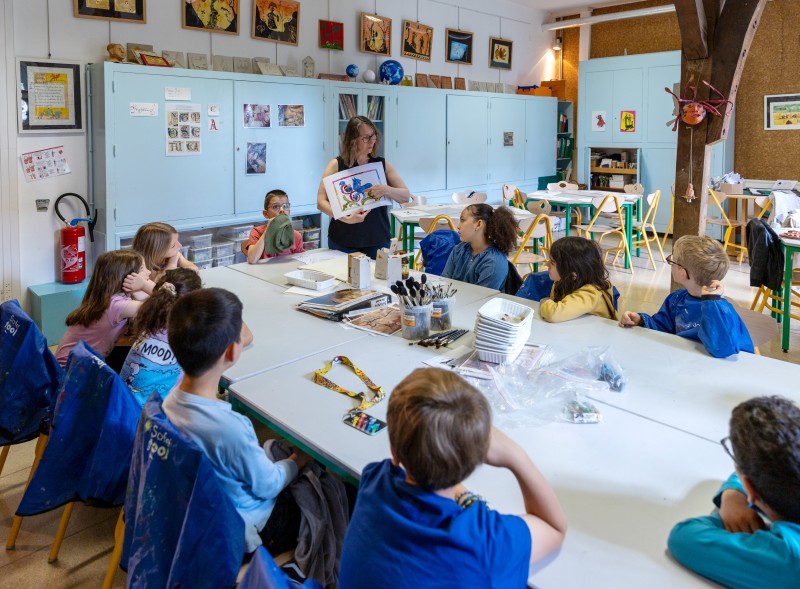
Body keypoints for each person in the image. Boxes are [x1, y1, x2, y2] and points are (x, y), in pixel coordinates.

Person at [339, 368, 566, 588]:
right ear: (477, 459)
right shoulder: (487, 542)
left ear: (394, 452)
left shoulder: (374, 482)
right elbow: (554, 528)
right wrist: (516, 456)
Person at [163, 288, 308, 554]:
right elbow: (268, 485)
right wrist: (298, 460)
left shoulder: (167, 403)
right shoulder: (230, 427)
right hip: (240, 529)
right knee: (330, 493)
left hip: (189, 512)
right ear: (231, 352)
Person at [668, 396, 800, 589]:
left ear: (750, 489)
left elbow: (684, 536)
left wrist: (733, 497)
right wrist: (734, 495)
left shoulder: (787, 558)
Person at [619, 235, 754, 358]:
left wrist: (710, 303)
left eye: (672, 261)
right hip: (688, 362)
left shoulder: (722, 311)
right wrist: (641, 320)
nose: (670, 263)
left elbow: (722, 349)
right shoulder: (676, 299)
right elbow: (663, 327)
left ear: (683, 274)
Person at [316, 116, 411, 259]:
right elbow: (320, 202)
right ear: (352, 139)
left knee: (377, 274)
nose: (372, 141)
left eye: (374, 136)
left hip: (378, 239)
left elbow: (405, 196)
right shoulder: (336, 165)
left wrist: (386, 189)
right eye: (366, 138)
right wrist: (345, 218)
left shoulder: (382, 164)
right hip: (343, 240)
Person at [120, 269, 204, 406]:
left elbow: (166, 295)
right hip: (152, 414)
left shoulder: (151, 319)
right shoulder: (190, 335)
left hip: (121, 403)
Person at [55, 250, 145, 368]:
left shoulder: (109, 299)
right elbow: (161, 308)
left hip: (76, 365)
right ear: (126, 277)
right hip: (71, 371)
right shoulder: (117, 305)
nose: (148, 272)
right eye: (143, 269)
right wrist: (145, 285)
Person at [539, 236, 619, 322]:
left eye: (552, 262)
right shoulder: (564, 281)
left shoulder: (589, 294)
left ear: (572, 275)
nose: (546, 264)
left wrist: (545, 301)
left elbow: (552, 314)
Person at [441, 204, 518, 290]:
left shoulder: (493, 262)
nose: (458, 226)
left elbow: (480, 296)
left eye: (463, 220)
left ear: (478, 224)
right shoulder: (458, 250)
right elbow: (444, 283)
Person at [125, 222, 199, 296]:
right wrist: (172, 263)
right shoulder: (141, 265)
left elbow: (194, 270)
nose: (180, 245)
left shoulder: (172, 255)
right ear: (157, 251)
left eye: (177, 240)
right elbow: (161, 285)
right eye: (173, 245)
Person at [244, 189, 305, 263]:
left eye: (285, 206)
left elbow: (300, 261)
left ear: (289, 212)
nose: (282, 210)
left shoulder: (296, 236)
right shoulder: (257, 232)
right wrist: (267, 231)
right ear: (266, 214)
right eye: (275, 206)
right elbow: (252, 260)